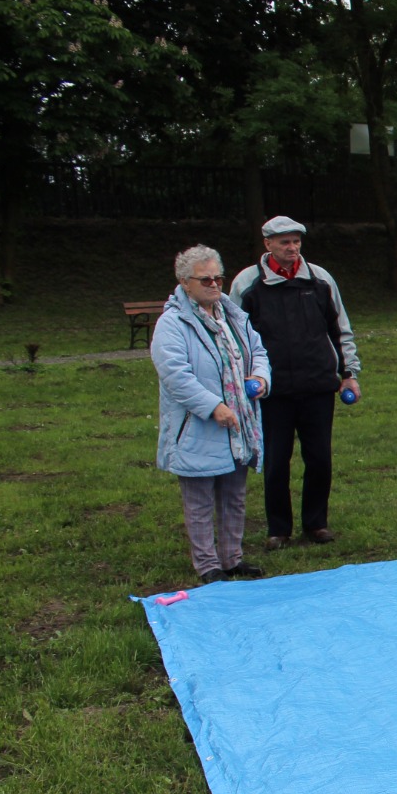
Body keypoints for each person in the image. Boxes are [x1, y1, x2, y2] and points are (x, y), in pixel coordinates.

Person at [230, 216, 359, 550]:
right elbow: (235, 338)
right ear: (268, 244)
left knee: (319, 458)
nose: (292, 248)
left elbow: (340, 329)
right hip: (272, 390)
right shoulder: (248, 283)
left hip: (318, 384)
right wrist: (244, 380)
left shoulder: (319, 279)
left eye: (296, 241)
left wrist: (349, 374)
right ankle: (279, 529)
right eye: (285, 242)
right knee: (276, 461)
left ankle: (316, 524)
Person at [151, 245, 271, 583]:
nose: (215, 284)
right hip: (197, 426)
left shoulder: (232, 315)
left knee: (235, 496)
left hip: (239, 421)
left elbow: (258, 351)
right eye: (205, 279)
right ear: (184, 282)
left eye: (218, 277)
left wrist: (261, 378)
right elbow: (175, 375)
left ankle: (232, 558)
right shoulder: (172, 324)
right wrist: (212, 406)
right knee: (199, 501)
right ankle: (207, 565)